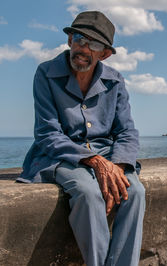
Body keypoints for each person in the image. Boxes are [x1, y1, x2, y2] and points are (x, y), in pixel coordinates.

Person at [18, 11, 145, 266]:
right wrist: (96, 162)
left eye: (94, 44)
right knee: (88, 193)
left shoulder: (115, 81)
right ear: (69, 40)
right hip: (62, 156)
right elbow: (46, 133)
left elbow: (126, 131)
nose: (83, 48)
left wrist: (117, 167)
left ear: (105, 53)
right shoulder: (45, 73)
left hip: (109, 156)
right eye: (79, 38)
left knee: (136, 192)